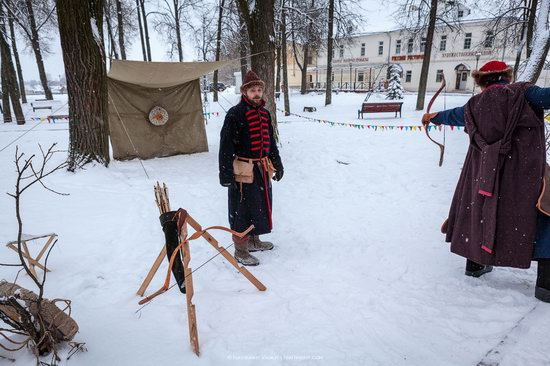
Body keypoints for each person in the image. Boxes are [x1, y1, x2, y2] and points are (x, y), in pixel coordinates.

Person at [422, 60, 550, 303]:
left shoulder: (474, 105)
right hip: (522, 176)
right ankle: (547, 285)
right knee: (543, 214)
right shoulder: (524, 93)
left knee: (480, 211)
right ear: (506, 77)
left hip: (484, 173)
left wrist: (434, 117)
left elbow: (454, 115)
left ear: (481, 81)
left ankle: (475, 264)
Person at [219, 70, 284, 266]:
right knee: (242, 208)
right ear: (244, 92)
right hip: (243, 171)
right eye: (252, 90)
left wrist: (278, 164)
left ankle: (254, 241)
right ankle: (240, 249)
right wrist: (226, 174)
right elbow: (226, 145)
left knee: (260, 206)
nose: (256, 93)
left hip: (262, 169)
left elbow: (271, 143)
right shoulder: (235, 114)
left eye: (259, 90)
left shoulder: (265, 114)